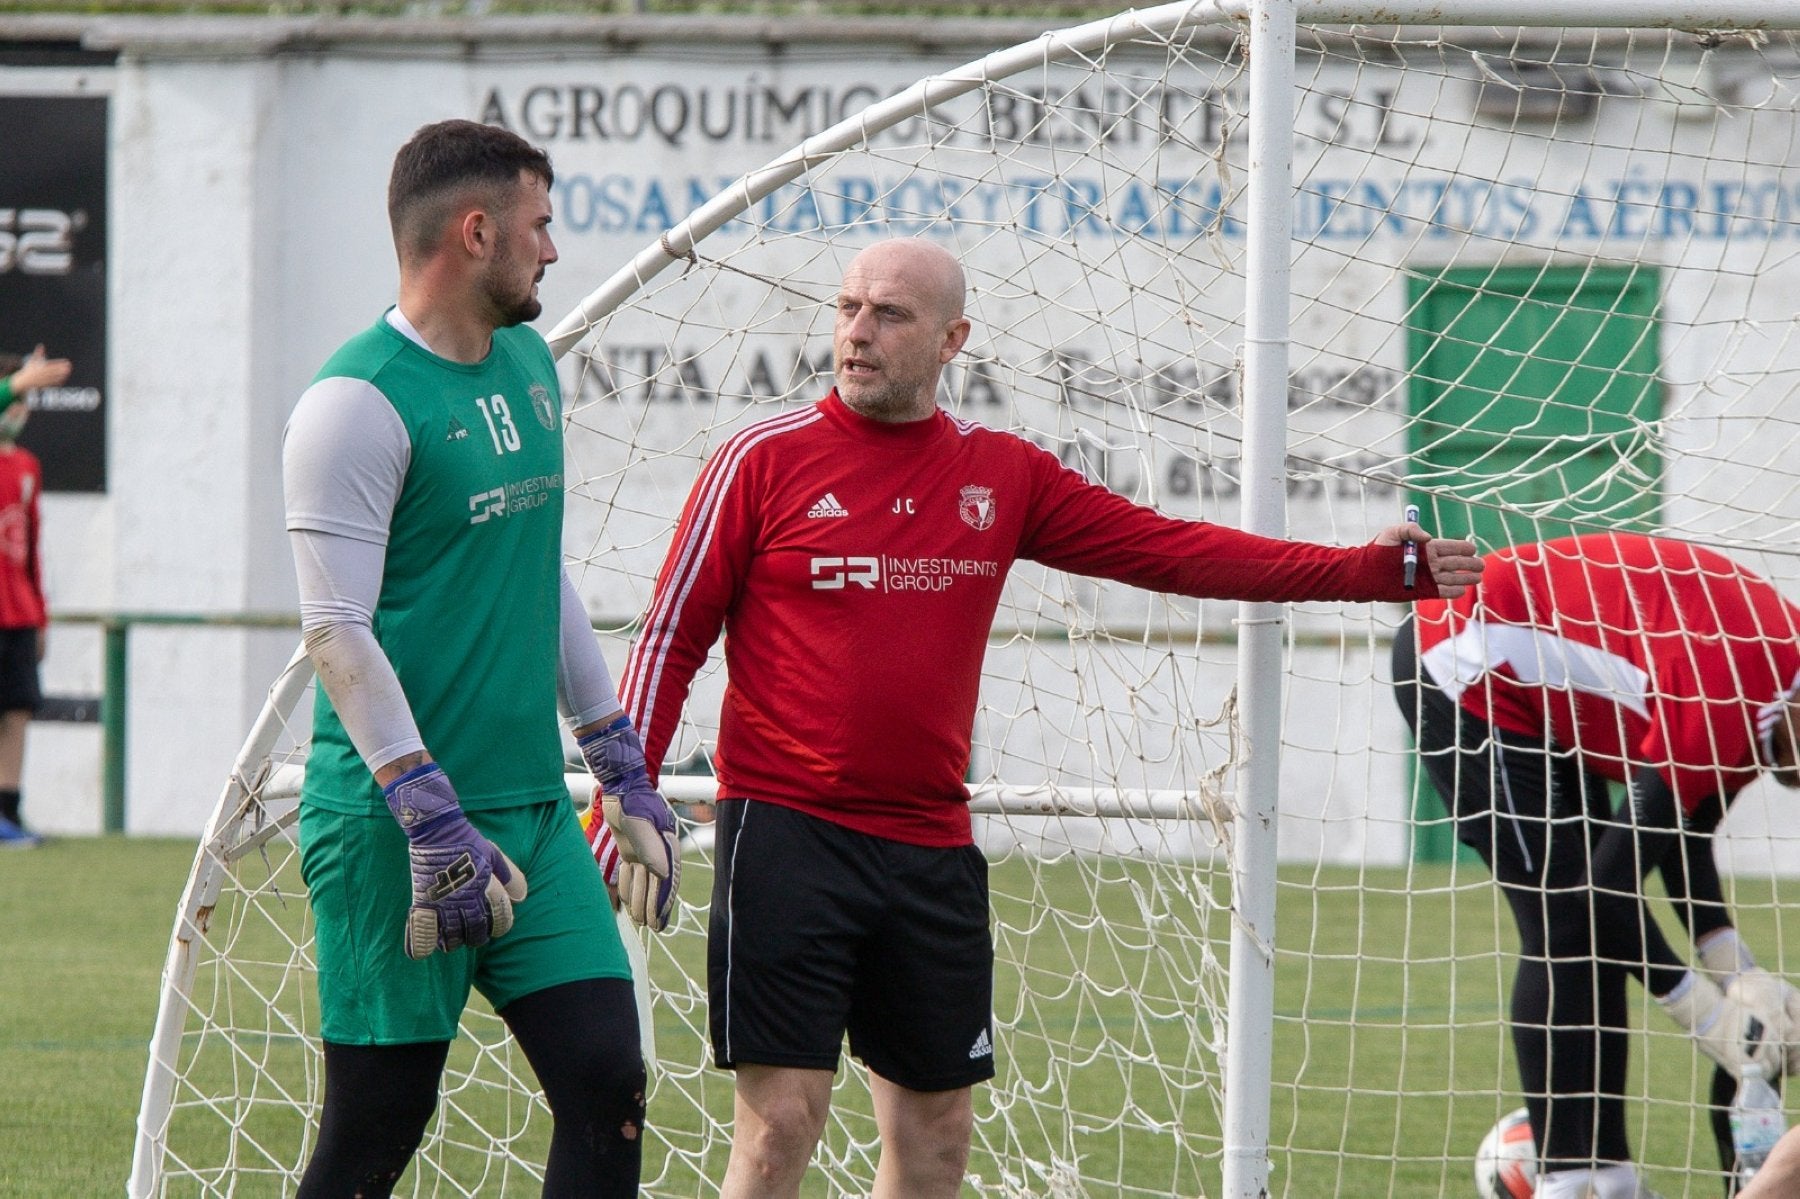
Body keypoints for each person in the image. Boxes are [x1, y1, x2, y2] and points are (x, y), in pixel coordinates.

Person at [610, 236, 1483, 1198]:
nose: (857, 332)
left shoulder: (1005, 475)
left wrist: (1368, 572)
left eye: (889, 314)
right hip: (786, 834)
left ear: (953, 340)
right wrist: (628, 791)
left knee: (937, 1139)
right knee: (781, 1128)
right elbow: (668, 640)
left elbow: (1173, 551)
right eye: (848, 307)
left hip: (931, 845)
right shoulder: (760, 461)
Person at [281, 119, 677, 1198]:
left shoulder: (528, 362)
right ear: (474, 229)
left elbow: (534, 564)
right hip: (397, 827)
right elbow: (336, 629)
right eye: (538, 224)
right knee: (376, 1128)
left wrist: (616, 758)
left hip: (534, 816)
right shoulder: (352, 404)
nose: (550, 249)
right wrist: (424, 807)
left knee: (608, 1079)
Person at [1392, 533, 1800, 1199]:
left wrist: (1736, 969)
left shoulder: (1774, 693)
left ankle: (1608, 1180)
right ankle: (1569, 1183)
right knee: (1561, 922)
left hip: (1546, 696)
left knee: (1584, 929)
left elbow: (1679, 833)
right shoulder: (1736, 694)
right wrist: (1708, 1016)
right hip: (1465, 656)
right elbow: (1602, 891)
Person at [0, 347, 65, 847]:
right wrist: (17, 382)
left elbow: (32, 548)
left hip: (17, 611)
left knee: (16, 711)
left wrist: (40, 616)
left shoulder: (27, 466)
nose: (21, 412)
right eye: (17, 398)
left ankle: (9, 812)